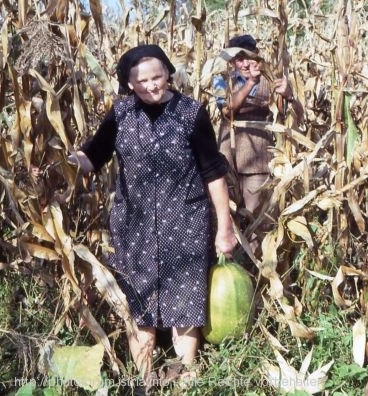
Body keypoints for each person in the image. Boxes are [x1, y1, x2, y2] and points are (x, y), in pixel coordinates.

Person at [71, 44, 237, 391]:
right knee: (138, 306)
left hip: (187, 223)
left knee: (186, 304)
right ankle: (143, 383)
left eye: (157, 77)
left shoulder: (191, 113)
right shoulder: (120, 114)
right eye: (141, 80)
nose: (150, 85)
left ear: (168, 74)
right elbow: (94, 154)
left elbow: (213, 172)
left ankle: (185, 380)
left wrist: (224, 228)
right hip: (134, 228)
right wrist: (67, 161)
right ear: (129, 83)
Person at [213, 34, 304, 232]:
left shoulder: (273, 80)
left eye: (248, 57)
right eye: (238, 59)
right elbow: (228, 111)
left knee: (257, 221)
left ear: (257, 56)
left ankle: (256, 262)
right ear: (232, 61)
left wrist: (290, 96)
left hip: (259, 162)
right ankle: (229, 261)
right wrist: (250, 83)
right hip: (227, 159)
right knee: (227, 219)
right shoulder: (222, 81)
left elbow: (299, 116)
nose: (244, 64)